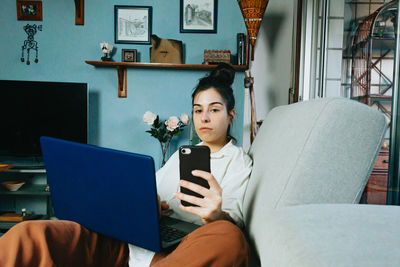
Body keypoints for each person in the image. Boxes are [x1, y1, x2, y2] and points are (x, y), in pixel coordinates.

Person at [0, 63, 253, 267]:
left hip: (181, 250)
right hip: (124, 243)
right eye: (198, 110)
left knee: (229, 239)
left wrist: (216, 215)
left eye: (215, 110)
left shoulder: (239, 161)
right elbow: (145, 192)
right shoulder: (181, 155)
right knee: (30, 234)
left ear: (231, 115)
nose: (204, 117)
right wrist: (147, 202)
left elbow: (234, 224)